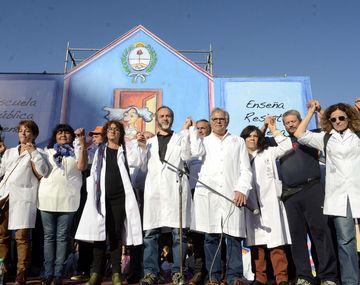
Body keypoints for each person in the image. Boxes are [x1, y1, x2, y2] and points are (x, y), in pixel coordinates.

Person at [264, 109, 338, 285]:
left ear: (299, 121)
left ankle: (328, 276)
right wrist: (267, 125)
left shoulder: (311, 135)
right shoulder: (278, 140)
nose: (290, 125)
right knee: (297, 237)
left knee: (321, 233)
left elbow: (328, 125)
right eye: (287, 122)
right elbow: (254, 141)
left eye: (293, 121)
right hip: (290, 195)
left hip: (312, 189)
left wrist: (318, 111)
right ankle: (304, 276)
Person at [294, 100, 360, 285]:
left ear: (349, 117)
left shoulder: (357, 135)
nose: (338, 121)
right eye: (333, 119)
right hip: (339, 197)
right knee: (345, 241)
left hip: (358, 192)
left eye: (341, 118)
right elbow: (299, 133)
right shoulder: (325, 137)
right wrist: (311, 111)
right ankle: (351, 281)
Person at [137, 106, 204, 285]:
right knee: (151, 234)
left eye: (168, 116)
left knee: (178, 234)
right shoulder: (149, 142)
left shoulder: (180, 138)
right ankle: (151, 273)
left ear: (172, 119)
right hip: (155, 194)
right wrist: (142, 148)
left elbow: (189, 155)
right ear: (157, 119)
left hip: (175, 191)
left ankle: (177, 272)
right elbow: (142, 167)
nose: (165, 118)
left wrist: (188, 132)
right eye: (162, 116)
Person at [75, 120, 142, 285]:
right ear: (106, 133)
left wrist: (140, 145)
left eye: (116, 129)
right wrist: (83, 144)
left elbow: (138, 163)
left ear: (120, 133)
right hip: (100, 198)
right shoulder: (98, 150)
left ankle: (116, 274)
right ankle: (96, 273)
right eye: (110, 129)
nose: (113, 131)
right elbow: (82, 165)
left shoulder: (125, 151)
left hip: (120, 199)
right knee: (99, 236)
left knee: (115, 235)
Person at [192, 108, 252, 285]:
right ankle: (213, 276)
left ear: (227, 121)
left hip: (232, 195)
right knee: (211, 237)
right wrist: (190, 130)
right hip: (209, 196)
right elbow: (191, 153)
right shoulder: (203, 142)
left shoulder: (238, 141)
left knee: (233, 237)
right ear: (211, 121)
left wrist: (241, 189)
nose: (218, 121)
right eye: (215, 119)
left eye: (222, 119)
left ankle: (234, 277)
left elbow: (245, 170)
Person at [240, 118, 292, 285]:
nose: (252, 139)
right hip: (251, 204)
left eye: (255, 136)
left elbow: (287, 146)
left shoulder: (268, 152)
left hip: (270, 203)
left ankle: (281, 277)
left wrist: (273, 129)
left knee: (276, 242)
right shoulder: (240, 157)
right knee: (257, 244)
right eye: (249, 136)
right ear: (244, 139)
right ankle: (260, 278)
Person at [0, 120, 50, 285]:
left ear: (34, 135)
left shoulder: (40, 152)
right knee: (2, 236)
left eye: (27, 131)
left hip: (23, 199)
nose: (23, 133)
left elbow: (44, 172)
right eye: (21, 131)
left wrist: (33, 153)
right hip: (5, 197)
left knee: (22, 238)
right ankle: (3, 271)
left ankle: (22, 272)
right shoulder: (10, 152)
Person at [38, 124, 88, 285]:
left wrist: (82, 144)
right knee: (48, 237)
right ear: (55, 136)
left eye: (66, 133)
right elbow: (41, 172)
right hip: (47, 198)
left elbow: (82, 166)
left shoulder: (77, 151)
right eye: (60, 133)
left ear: (71, 136)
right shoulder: (47, 152)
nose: (63, 135)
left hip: (68, 199)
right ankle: (47, 273)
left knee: (62, 238)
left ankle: (58, 273)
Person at [71, 125, 104, 282]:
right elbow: (81, 161)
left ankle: (98, 270)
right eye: (94, 134)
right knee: (86, 234)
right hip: (88, 197)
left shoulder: (114, 151)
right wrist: (81, 142)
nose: (95, 137)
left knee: (102, 236)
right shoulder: (90, 151)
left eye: (98, 134)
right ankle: (83, 269)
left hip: (106, 197)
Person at [187, 119, 211, 285]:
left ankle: (216, 271)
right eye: (198, 128)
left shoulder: (213, 145)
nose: (200, 130)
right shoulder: (191, 146)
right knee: (197, 235)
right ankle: (198, 271)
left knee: (214, 233)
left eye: (203, 128)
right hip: (194, 192)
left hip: (211, 192)